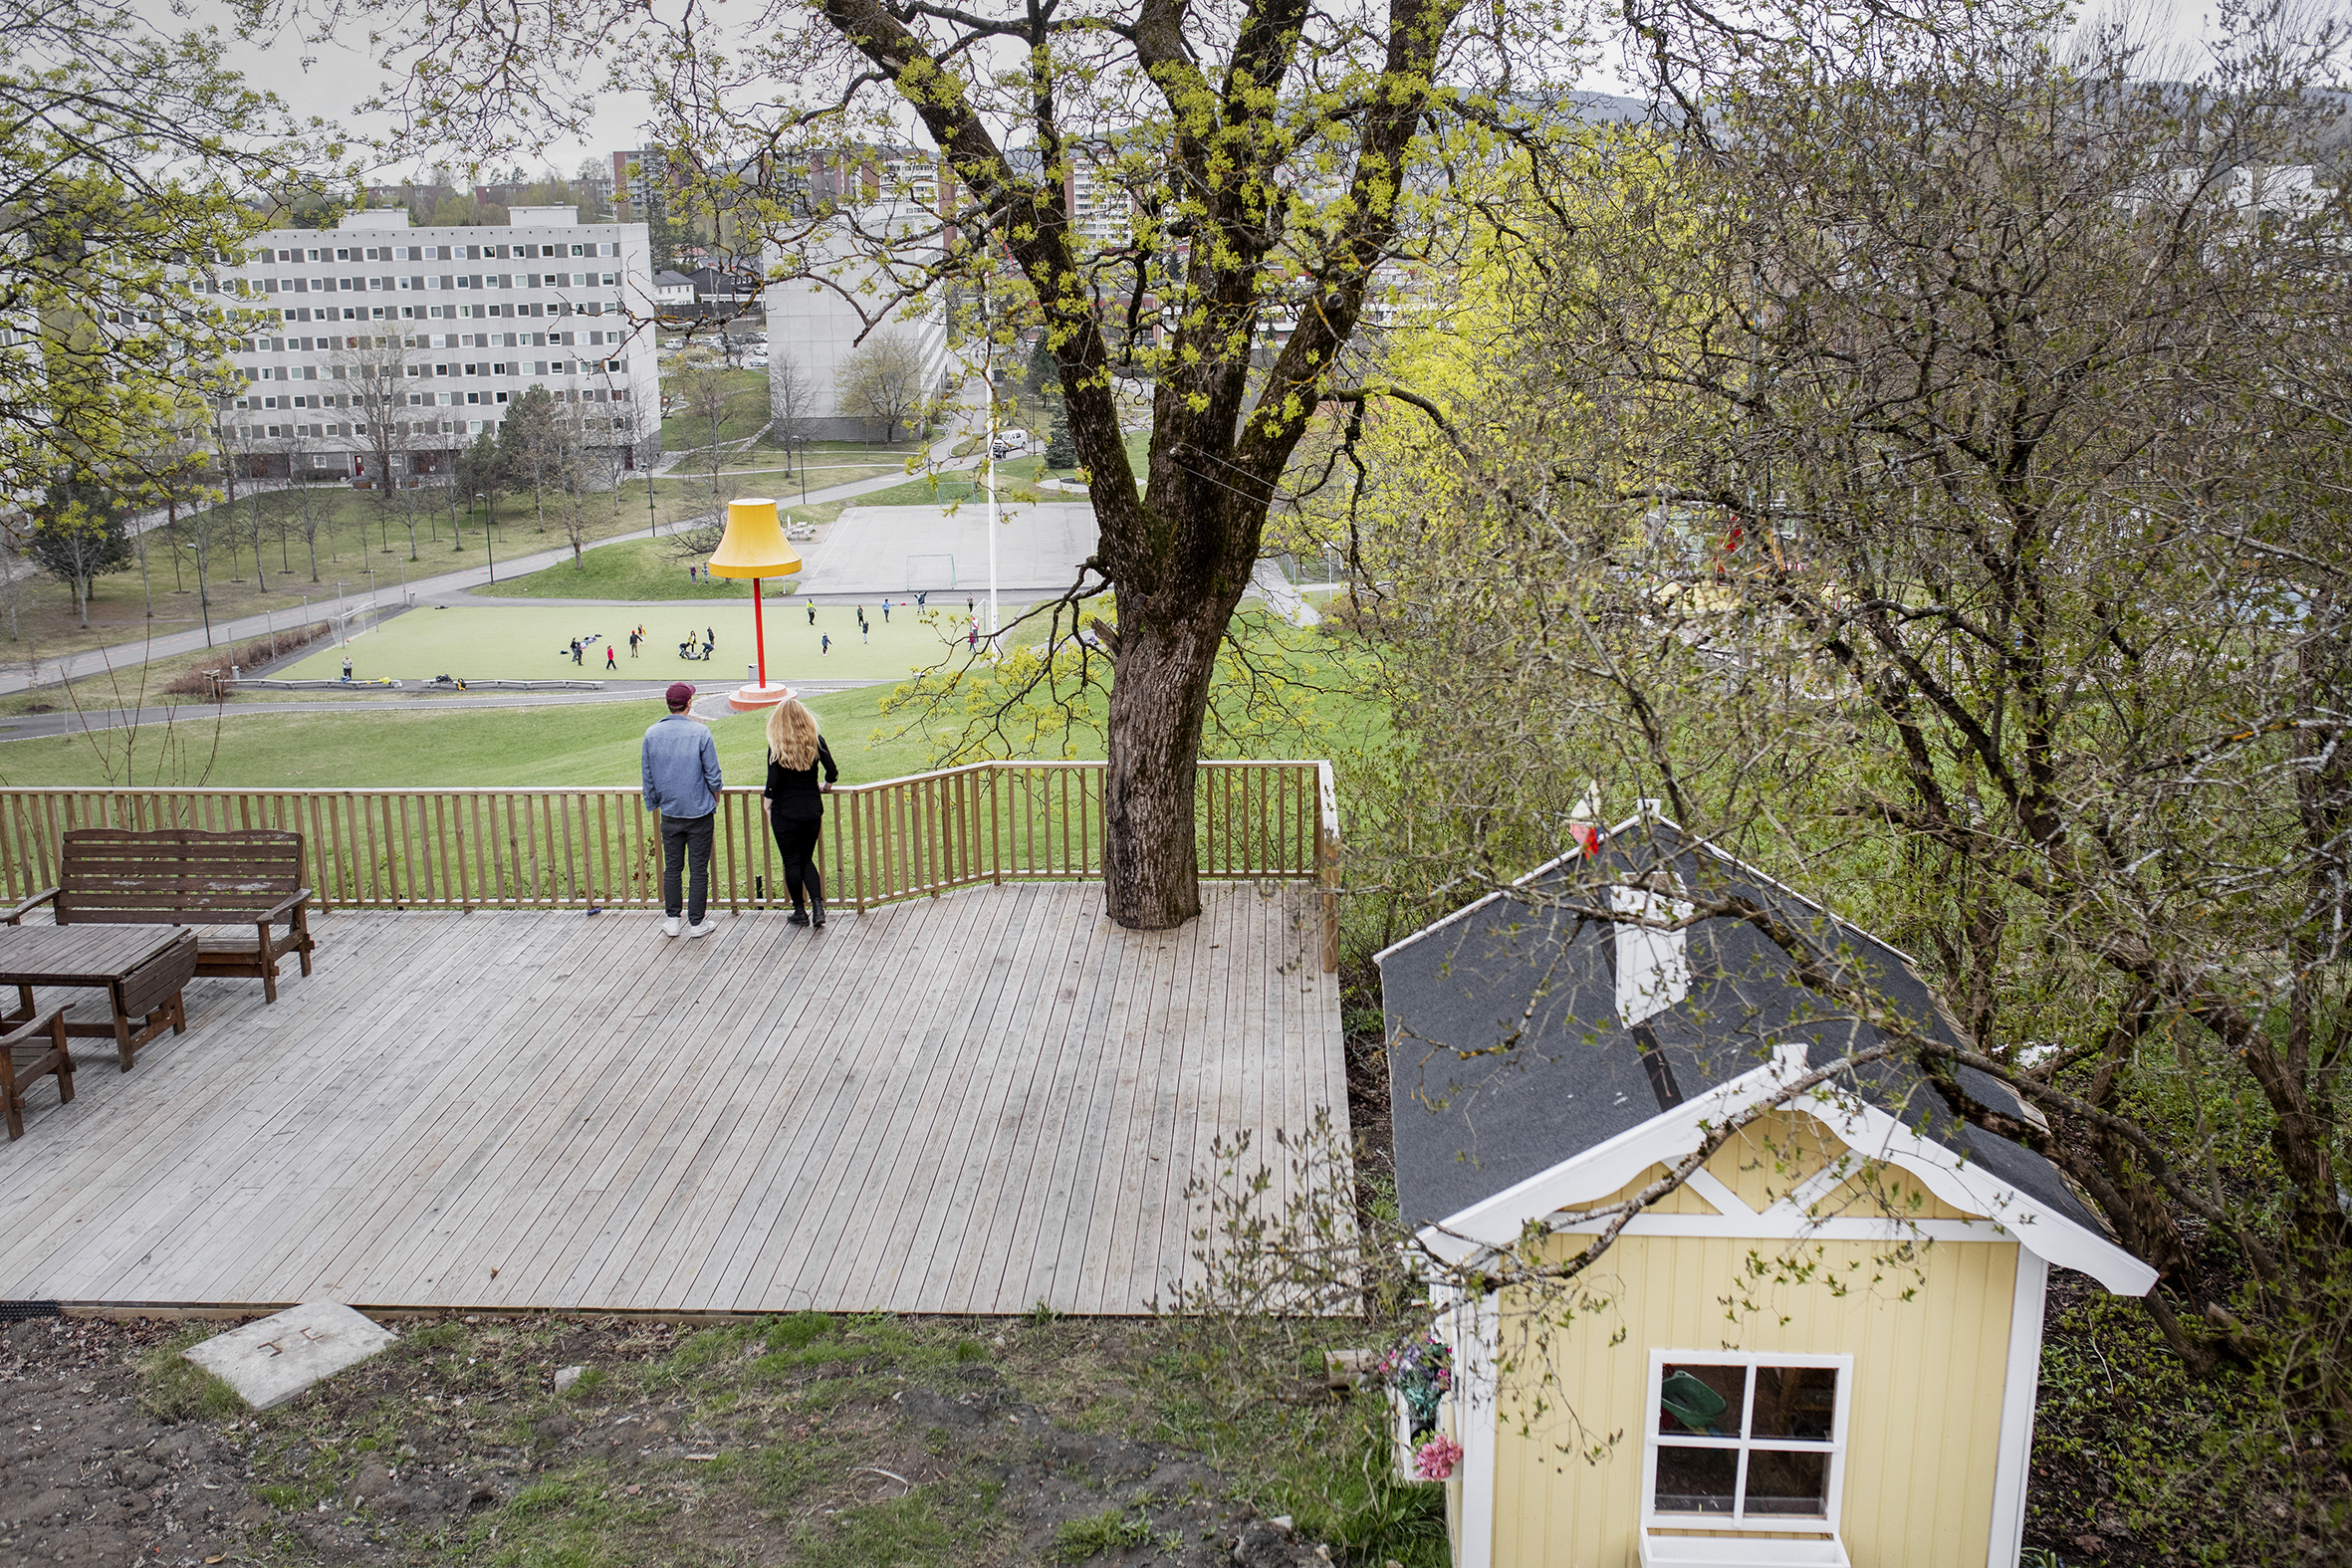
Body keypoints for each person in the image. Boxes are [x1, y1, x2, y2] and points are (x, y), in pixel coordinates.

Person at [640, 682, 722, 939]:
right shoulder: (701, 732)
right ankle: (697, 923)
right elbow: (713, 775)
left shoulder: (652, 734)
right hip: (699, 812)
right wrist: (715, 799)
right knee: (699, 869)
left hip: (670, 812)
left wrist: (654, 801)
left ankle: (673, 920)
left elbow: (648, 774)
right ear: (689, 704)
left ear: (668, 704)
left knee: (672, 868)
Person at [762, 695, 838, 928]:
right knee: (806, 859)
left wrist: (767, 804)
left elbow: (772, 782)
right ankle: (818, 907)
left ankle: (799, 910)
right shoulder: (815, 741)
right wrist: (826, 787)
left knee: (791, 861)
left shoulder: (777, 746)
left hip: (785, 811)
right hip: (812, 810)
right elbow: (832, 771)